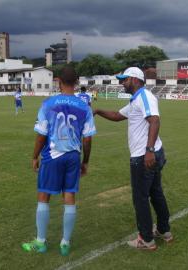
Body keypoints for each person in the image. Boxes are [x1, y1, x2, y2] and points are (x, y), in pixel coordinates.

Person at [94, 67, 172, 250]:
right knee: (155, 193)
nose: (122, 82)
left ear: (136, 80)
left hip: (144, 156)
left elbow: (155, 120)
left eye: (125, 79)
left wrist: (149, 150)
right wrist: (98, 111)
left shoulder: (144, 96)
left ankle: (146, 239)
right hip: (149, 153)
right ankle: (163, 230)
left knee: (141, 198)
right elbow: (117, 115)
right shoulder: (136, 99)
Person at [22, 66, 96, 256]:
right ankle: (65, 243)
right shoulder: (85, 107)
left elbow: (41, 135)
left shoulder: (48, 103)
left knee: (44, 195)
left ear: (58, 81)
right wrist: (85, 161)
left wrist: (34, 156)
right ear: (77, 82)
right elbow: (87, 139)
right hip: (73, 156)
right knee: (69, 196)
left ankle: (40, 242)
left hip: (52, 155)